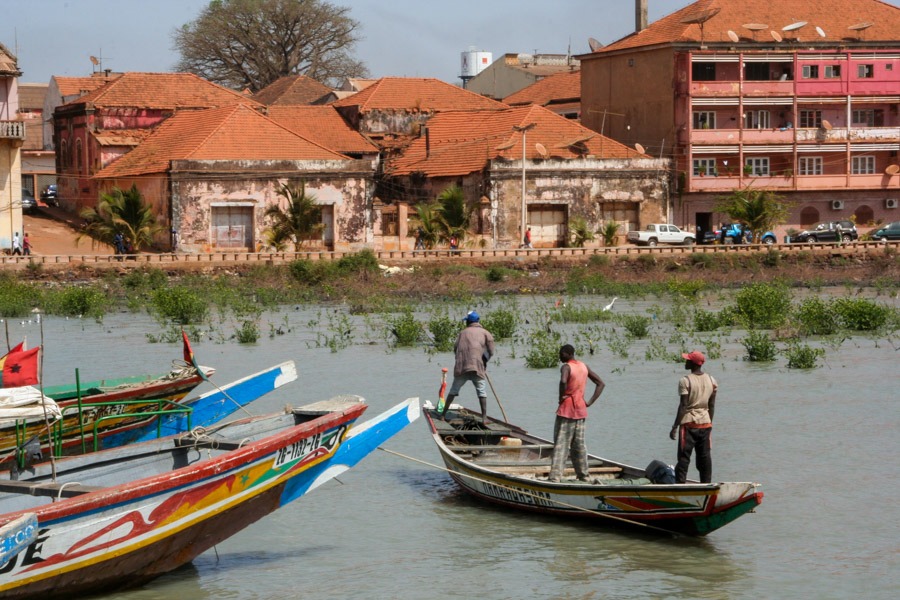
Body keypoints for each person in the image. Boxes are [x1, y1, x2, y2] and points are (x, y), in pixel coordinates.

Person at [548, 344, 605, 482]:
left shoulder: (567, 367)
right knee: (579, 445)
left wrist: (561, 397)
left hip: (567, 409)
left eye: (561, 353)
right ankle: (583, 475)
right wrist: (589, 402)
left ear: (568, 354)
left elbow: (563, 381)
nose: (559, 356)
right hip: (580, 410)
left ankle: (555, 477)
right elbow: (600, 383)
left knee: (561, 444)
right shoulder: (583, 366)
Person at [670, 350, 717, 483]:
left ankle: (680, 486)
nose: (685, 361)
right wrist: (710, 424)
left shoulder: (685, 381)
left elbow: (683, 405)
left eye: (688, 360)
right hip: (706, 423)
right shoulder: (712, 380)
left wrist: (674, 426)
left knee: (684, 458)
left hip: (689, 424)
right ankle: (706, 485)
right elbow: (711, 405)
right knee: (705, 457)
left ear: (693, 363)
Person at [439, 311, 495, 421]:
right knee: (481, 391)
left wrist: (462, 360)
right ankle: (484, 417)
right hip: (477, 367)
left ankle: (442, 415)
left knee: (453, 391)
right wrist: (484, 360)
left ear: (468, 322)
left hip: (462, 367)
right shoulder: (485, 333)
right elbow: (491, 350)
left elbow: (456, 349)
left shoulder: (462, 333)